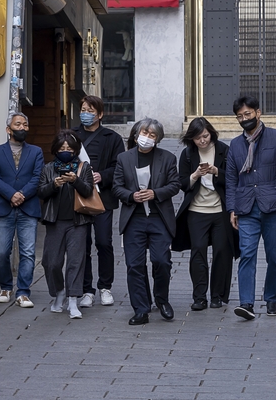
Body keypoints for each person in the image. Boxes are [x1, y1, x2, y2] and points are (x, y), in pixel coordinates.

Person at [225, 95, 276, 320]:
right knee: (247, 254)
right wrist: (232, 209)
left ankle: (272, 300)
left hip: (274, 206)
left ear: (258, 112)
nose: (244, 119)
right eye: (239, 116)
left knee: (274, 256)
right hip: (246, 207)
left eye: (247, 114)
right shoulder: (235, 145)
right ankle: (246, 303)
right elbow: (230, 180)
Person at [112, 118, 180, 325]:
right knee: (134, 265)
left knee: (161, 261)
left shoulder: (167, 158)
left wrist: (155, 193)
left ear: (158, 139)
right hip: (134, 218)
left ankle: (161, 299)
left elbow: (175, 185)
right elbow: (116, 187)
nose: (147, 138)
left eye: (152, 135)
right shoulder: (124, 158)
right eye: (144, 133)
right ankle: (141, 308)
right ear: (135, 134)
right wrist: (131, 196)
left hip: (159, 217)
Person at [172, 118, 239, 311]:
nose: (202, 141)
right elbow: (181, 184)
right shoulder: (187, 154)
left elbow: (233, 179)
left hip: (220, 210)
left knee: (221, 252)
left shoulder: (224, 150)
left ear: (212, 133)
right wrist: (195, 175)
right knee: (198, 251)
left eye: (205, 136)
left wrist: (216, 170)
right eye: (197, 138)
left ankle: (217, 296)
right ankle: (199, 297)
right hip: (196, 211)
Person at [73, 96, 126, 309]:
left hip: (102, 198)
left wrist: (102, 176)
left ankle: (105, 287)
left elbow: (119, 166)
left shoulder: (112, 138)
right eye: (83, 109)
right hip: (78, 196)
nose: (86, 113)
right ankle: (86, 290)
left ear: (100, 114)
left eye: (90, 110)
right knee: (82, 244)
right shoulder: (72, 136)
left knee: (104, 242)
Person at [38, 131, 96, 319]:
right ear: (55, 149)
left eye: (69, 149)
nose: (65, 151)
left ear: (75, 150)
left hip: (78, 222)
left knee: (75, 261)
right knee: (51, 262)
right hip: (55, 221)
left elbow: (88, 191)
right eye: (62, 148)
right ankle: (59, 291)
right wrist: (54, 185)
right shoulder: (48, 168)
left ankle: (73, 301)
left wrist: (75, 180)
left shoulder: (83, 167)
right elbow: (41, 192)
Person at [0, 112, 45, 308]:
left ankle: (23, 292)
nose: (22, 128)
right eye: (18, 124)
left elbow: (37, 177)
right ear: (8, 129)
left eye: (25, 125)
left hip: (28, 207)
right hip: (4, 207)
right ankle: (5, 287)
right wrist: (11, 195)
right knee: (2, 252)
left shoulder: (36, 151)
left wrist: (22, 195)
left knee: (28, 252)